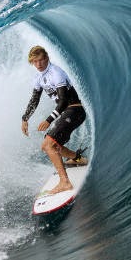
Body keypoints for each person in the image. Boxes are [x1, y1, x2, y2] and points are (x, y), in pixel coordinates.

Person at [21, 45, 88, 194]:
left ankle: (65, 182)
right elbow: (34, 99)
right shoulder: (39, 78)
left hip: (74, 110)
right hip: (67, 113)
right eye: (34, 62)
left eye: (40, 60)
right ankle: (78, 159)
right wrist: (25, 118)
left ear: (47, 58)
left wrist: (49, 120)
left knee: (48, 145)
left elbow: (63, 101)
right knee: (53, 146)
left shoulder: (56, 73)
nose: (38, 64)